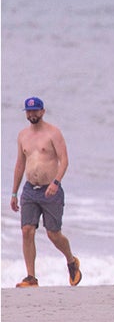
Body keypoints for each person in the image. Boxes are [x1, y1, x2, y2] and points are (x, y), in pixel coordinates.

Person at [10, 96, 82, 288]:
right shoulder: (23, 135)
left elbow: (64, 160)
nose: (32, 114)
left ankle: (71, 260)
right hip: (29, 190)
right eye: (29, 111)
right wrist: (14, 193)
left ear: (42, 111)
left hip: (51, 190)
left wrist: (56, 183)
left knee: (53, 234)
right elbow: (19, 164)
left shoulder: (53, 133)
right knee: (27, 231)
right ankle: (31, 277)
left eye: (35, 110)